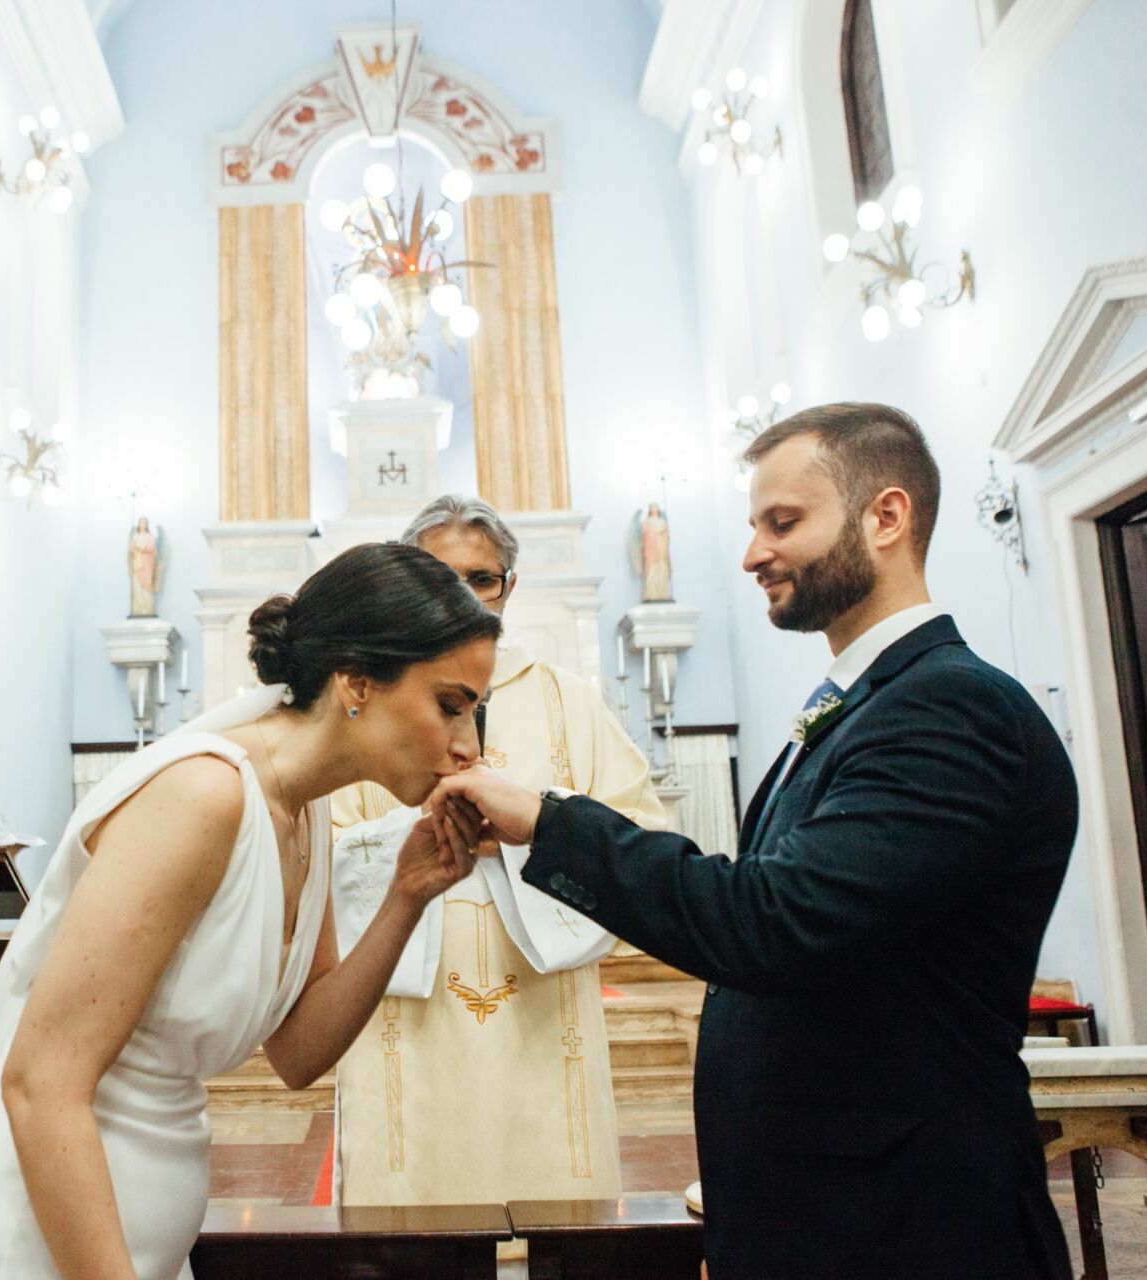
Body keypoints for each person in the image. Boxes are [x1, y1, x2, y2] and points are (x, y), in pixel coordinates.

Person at [427, 404, 1077, 1279]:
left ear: (886, 517)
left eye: (783, 522)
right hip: (829, 1213)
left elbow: (769, 921)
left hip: (906, 1225)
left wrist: (544, 820)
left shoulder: (950, 709)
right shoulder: (870, 703)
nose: (752, 554)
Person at [0, 542, 500, 1280]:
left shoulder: (306, 812)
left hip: (136, 1237)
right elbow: (41, 1083)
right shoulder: (203, 796)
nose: (469, 747)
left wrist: (407, 894)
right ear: (356, 680)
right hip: (35, 1238)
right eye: (450, 707)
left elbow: (299, 1054)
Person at [328, 495, 668, 1208]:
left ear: (508, 587)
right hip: (405, 1019)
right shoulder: (363, 702)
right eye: (438, 576)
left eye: (480, 579)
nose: (461, 596)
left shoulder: (568, 701)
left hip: (543, 1020)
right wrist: (425, 840)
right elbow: (321, 853)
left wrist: (532, 833)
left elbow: (641, 835)